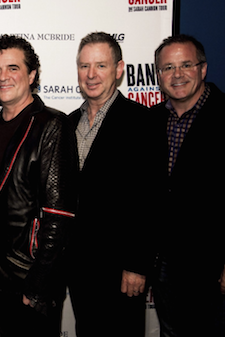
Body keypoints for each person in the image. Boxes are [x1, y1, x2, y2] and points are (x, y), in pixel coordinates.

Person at [150, 34, 225, 337]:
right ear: (158, 75)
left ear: (203, 68)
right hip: (167, 265)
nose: (177, 74)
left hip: (220, 268)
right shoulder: (152, 121)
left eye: (186, 65)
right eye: (168, 67)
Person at [0, 34, 77, 337]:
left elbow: (59, 214)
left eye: (13, 68)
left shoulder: (51, 125)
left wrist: (39, 284)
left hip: (31, 277)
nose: (3, 77)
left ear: (32, 75)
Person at [67, 32, 159, 336]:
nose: (91, 75)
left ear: (119, 69)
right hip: (78, 267)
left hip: (121, 270)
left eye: (100, 66)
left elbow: (150, 199)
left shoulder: (141, 122)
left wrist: (137, 264)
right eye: (84, 66)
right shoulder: (66, 124)